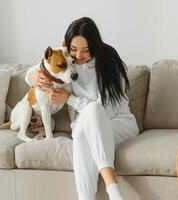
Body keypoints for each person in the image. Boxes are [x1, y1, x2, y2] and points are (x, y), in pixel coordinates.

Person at [26, 17, 139, 200]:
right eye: (73, 49)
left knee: (91, 114)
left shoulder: (108, 62)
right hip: (84, 127)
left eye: (86, 50)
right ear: (67, 47)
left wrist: (70, 99)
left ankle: (112, 189)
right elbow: (41, 66)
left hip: (119, 123)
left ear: (95, 46)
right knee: (80, 134)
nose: (78, 56)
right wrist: (31, 77)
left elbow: (105, 111)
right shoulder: (68, 62)